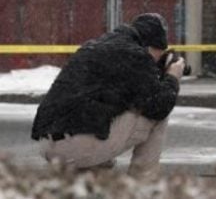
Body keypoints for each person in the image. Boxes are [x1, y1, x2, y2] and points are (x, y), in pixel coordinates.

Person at [31, 13, 184, 179]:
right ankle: (143, 186)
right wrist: (172, 77)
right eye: (158, 55)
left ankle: (91, 174)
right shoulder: (135, 55)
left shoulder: (95, 47)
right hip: (75, 146)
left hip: (47, 144)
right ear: (148, 47)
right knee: (158, 116)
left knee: (108, 117)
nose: (155, 62)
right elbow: (160, 105)